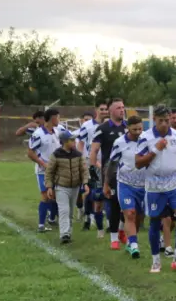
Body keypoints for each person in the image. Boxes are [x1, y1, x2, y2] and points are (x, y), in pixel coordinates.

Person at [135, 105, 176, 274]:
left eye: (167, 121)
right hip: (154, 185)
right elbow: (138, 163)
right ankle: (155, 261)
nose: (164, 124)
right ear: (154, 120)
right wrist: (155, 150)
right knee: (155, 220)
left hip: (175, 183)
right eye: (161, 121)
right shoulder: (145, 137)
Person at [91, 98, 128, 250]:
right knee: (114, 204)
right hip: (111, 173)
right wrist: (97, 169)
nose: (122, 110)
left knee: (127, 205)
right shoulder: (103, 128)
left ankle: (121, 229)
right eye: (119, 107)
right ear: (111, 111)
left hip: (128, 173)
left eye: (123, 107)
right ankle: (114, 238)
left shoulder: (128, 127)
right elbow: (93, 152)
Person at [108, 115, 147, 259]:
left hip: (144, 184)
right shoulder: (120, 143)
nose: (138, 132)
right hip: (125, 183)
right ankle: (134, 244)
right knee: (129, 213)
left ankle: (130, 239)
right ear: (128, 128)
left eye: (140, 129)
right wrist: (106, 183)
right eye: (134, 129)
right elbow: (112, 163)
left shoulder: (146, 140)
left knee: (139, 216)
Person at [44, 130, 90, 244]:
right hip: (61, 187)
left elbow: (84, 170)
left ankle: (68, 232)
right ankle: (64, 234)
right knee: (64, 210)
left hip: (75, 187)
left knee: (70, 211)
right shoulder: (56, 155)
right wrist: (49, 187)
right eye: (72, 140)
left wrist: (85, 183)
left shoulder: (78, 155)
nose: (74, 142)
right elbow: (49, 172)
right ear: (64, 141)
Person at [28, 108, 62, 233]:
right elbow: (30, 153)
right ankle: (41, 225)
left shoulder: (57, 132)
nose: (59, 120)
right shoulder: (38, 134)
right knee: (45, 196)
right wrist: (44, 164)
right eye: (58, 117)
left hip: (57, 171)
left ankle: (52, 219)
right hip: (43, 171)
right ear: (52, 118)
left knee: (56, 196)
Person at [76, 102, 108, 233]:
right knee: (92, 191)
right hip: (92, 164)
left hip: (108, 164)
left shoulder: (110, 125)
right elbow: (81, 144)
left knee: (107, 193)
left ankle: (107, 221)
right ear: (96, 110)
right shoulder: (87, 126)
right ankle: (88, 219)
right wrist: (81, 161)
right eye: (102, 109)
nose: (104, 111)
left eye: (106, 109)